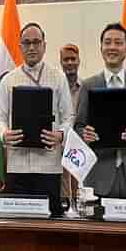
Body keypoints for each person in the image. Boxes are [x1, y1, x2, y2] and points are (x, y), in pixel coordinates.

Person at [0, 22, 74, 216]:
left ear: (44, 45)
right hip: (17, 166)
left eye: (36, 42)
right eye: (26, 42)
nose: (31, 47)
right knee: (18, 225)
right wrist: (4, 134)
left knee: (50, 226)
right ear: (20, 46)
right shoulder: (8, 80)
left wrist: (61, 135)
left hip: (49, 167)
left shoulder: (58, 78)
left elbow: (69, 116)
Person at [75, 23, 126, 199]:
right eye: (107, 42)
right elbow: (78, 126)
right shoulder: (88, 85)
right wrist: (84, 134)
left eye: (118, 42)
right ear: (101, 48)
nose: (112, 47)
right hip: (98, 178)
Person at [59, 43, 82, 198]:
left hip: (80, 149)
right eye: (66, 59)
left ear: (79, 61)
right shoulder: (56, 87)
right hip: (59, 148)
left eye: (73, 59)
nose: (69, 63)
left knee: (80, 191)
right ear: (61, 62)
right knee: (62, 193)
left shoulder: (86, 88)